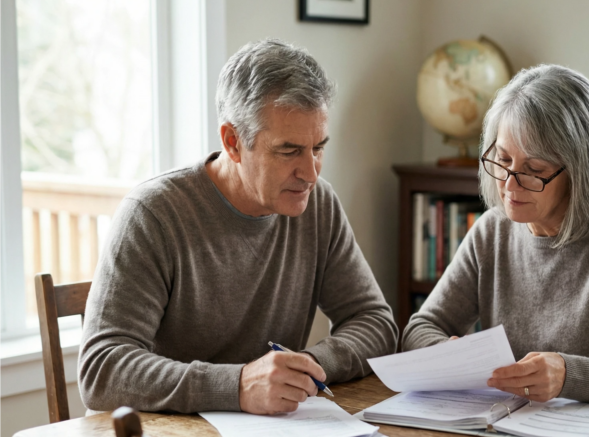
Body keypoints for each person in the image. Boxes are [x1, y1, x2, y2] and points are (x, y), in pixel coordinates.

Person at [79, 39, 398, 416]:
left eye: (318, 148)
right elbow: (102, 369)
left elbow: (375, 323)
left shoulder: (319, 205)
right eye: (289, 150)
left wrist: (304, 368)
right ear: (233, 142)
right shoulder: (153, 214)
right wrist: (238, 386)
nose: (311, 172)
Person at [403, 64, 589, 407]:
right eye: (503, 159)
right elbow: (420, 328)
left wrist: (569, 376)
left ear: (581, 170)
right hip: (510, 436)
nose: (509, 185)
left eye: (534, 170)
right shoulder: (492, 231)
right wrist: (447, 354)